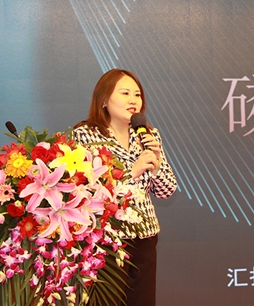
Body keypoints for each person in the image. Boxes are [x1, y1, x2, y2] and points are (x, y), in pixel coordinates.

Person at [73, 69, 177, 306]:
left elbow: (167, 190)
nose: (133, 100)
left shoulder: (149, 135)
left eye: (137, 95)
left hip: (144, 237)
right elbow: (88, 191)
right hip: (105, 239)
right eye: (125, 93)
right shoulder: (86, 135)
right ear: (104, 99)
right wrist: (133, 171)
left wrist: (156, 162)